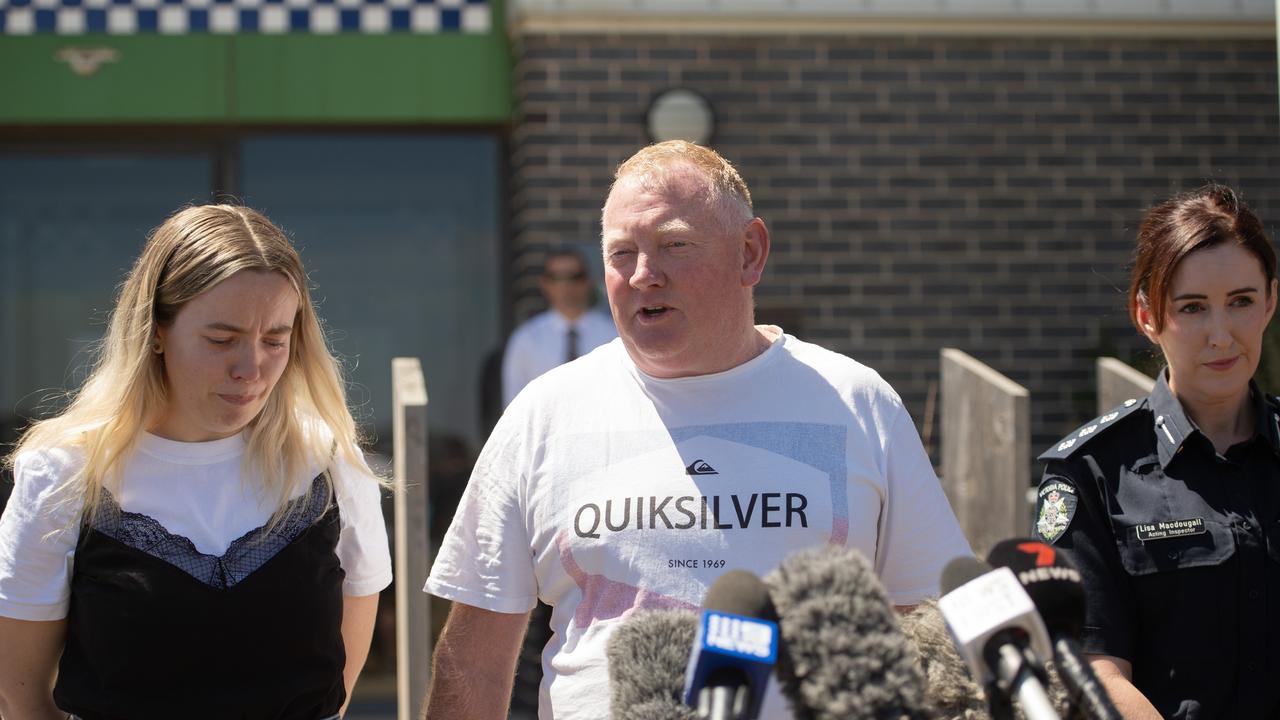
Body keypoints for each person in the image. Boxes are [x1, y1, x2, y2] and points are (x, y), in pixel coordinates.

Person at [423, 141, 969, 720]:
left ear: (750, 253)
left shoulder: (857, 403)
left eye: (674, 245)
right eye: (621, 253)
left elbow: (929, 632)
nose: (642, 275)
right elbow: (475, 660)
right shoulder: (544, 414)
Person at [0, 205, 393, 720]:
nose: (251, 368)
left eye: (275, 339)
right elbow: (20, 696)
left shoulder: (331, 466)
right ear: (155, 331)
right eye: (222, 340)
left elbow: (334, 693)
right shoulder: (65, 475)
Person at [1034, 184, 1280, 719]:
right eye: (1193, 308)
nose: (1221, 335)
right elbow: (1091, 669)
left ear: (1271, 301)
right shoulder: (1090, 473)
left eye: (1241, 301)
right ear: (1148, 316)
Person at [500, 248, 617, 407]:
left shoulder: (613, 334)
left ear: (587, 281)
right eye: (556, 277)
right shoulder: (525, 340)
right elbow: (513, 405)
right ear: (544, 284)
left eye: (574, 277)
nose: (566, 285)